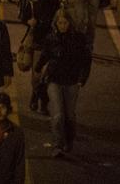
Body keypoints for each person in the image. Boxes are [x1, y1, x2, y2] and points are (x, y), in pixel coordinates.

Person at [35, 9, 91, 157]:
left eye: (65, 23)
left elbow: (86, 60)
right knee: (58, 114)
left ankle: (69, 140)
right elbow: (45, 55)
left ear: (69, 23)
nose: (62, 26)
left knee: (70, 116)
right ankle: (57, 144)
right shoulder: (51, 38)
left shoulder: (78, 39)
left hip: (72, 81)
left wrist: (82, 79)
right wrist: (38, 68)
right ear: (56, 23)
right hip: (54, 80)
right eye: (60, 23)